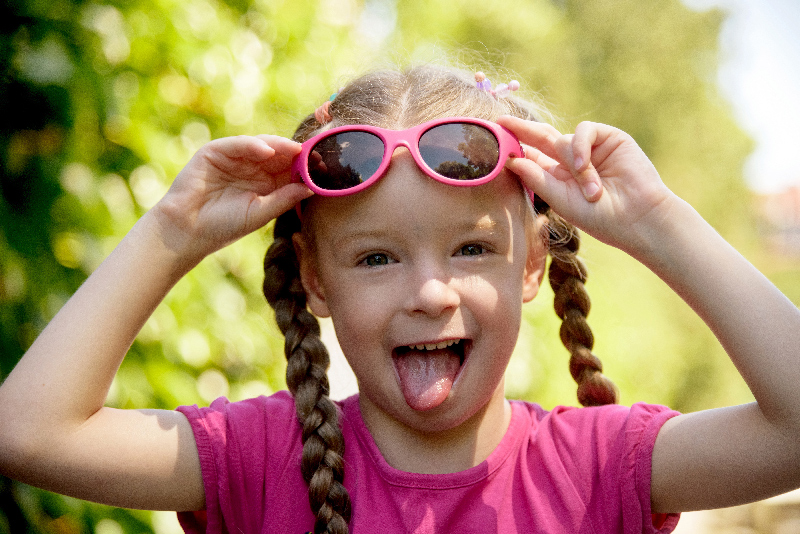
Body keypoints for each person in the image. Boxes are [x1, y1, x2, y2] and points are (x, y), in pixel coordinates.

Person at [1, 64, 799, 534]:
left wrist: (659, 222)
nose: (429, 291)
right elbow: (28, 433)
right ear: (316, 280)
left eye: (473, 248)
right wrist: (173, 230)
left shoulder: (599, 466)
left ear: (531, 267)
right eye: (376, 257)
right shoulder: (257, 461)